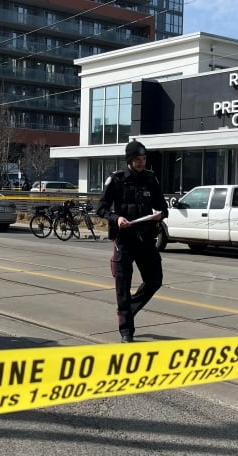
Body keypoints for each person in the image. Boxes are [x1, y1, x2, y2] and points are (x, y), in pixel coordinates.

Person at [96, 140, 168, 343]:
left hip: (146, 239)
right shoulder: (116, 180)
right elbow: (101, 209)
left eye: (144, 159)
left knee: (155, 280)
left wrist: (159, 215)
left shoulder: (151, 179)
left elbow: (163, 207)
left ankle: (128, 309)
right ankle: (126, 330)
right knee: (123, 287)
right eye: (138, 159)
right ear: (129, 160)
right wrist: (116, 219)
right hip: (124, 240)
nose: (141, 163)